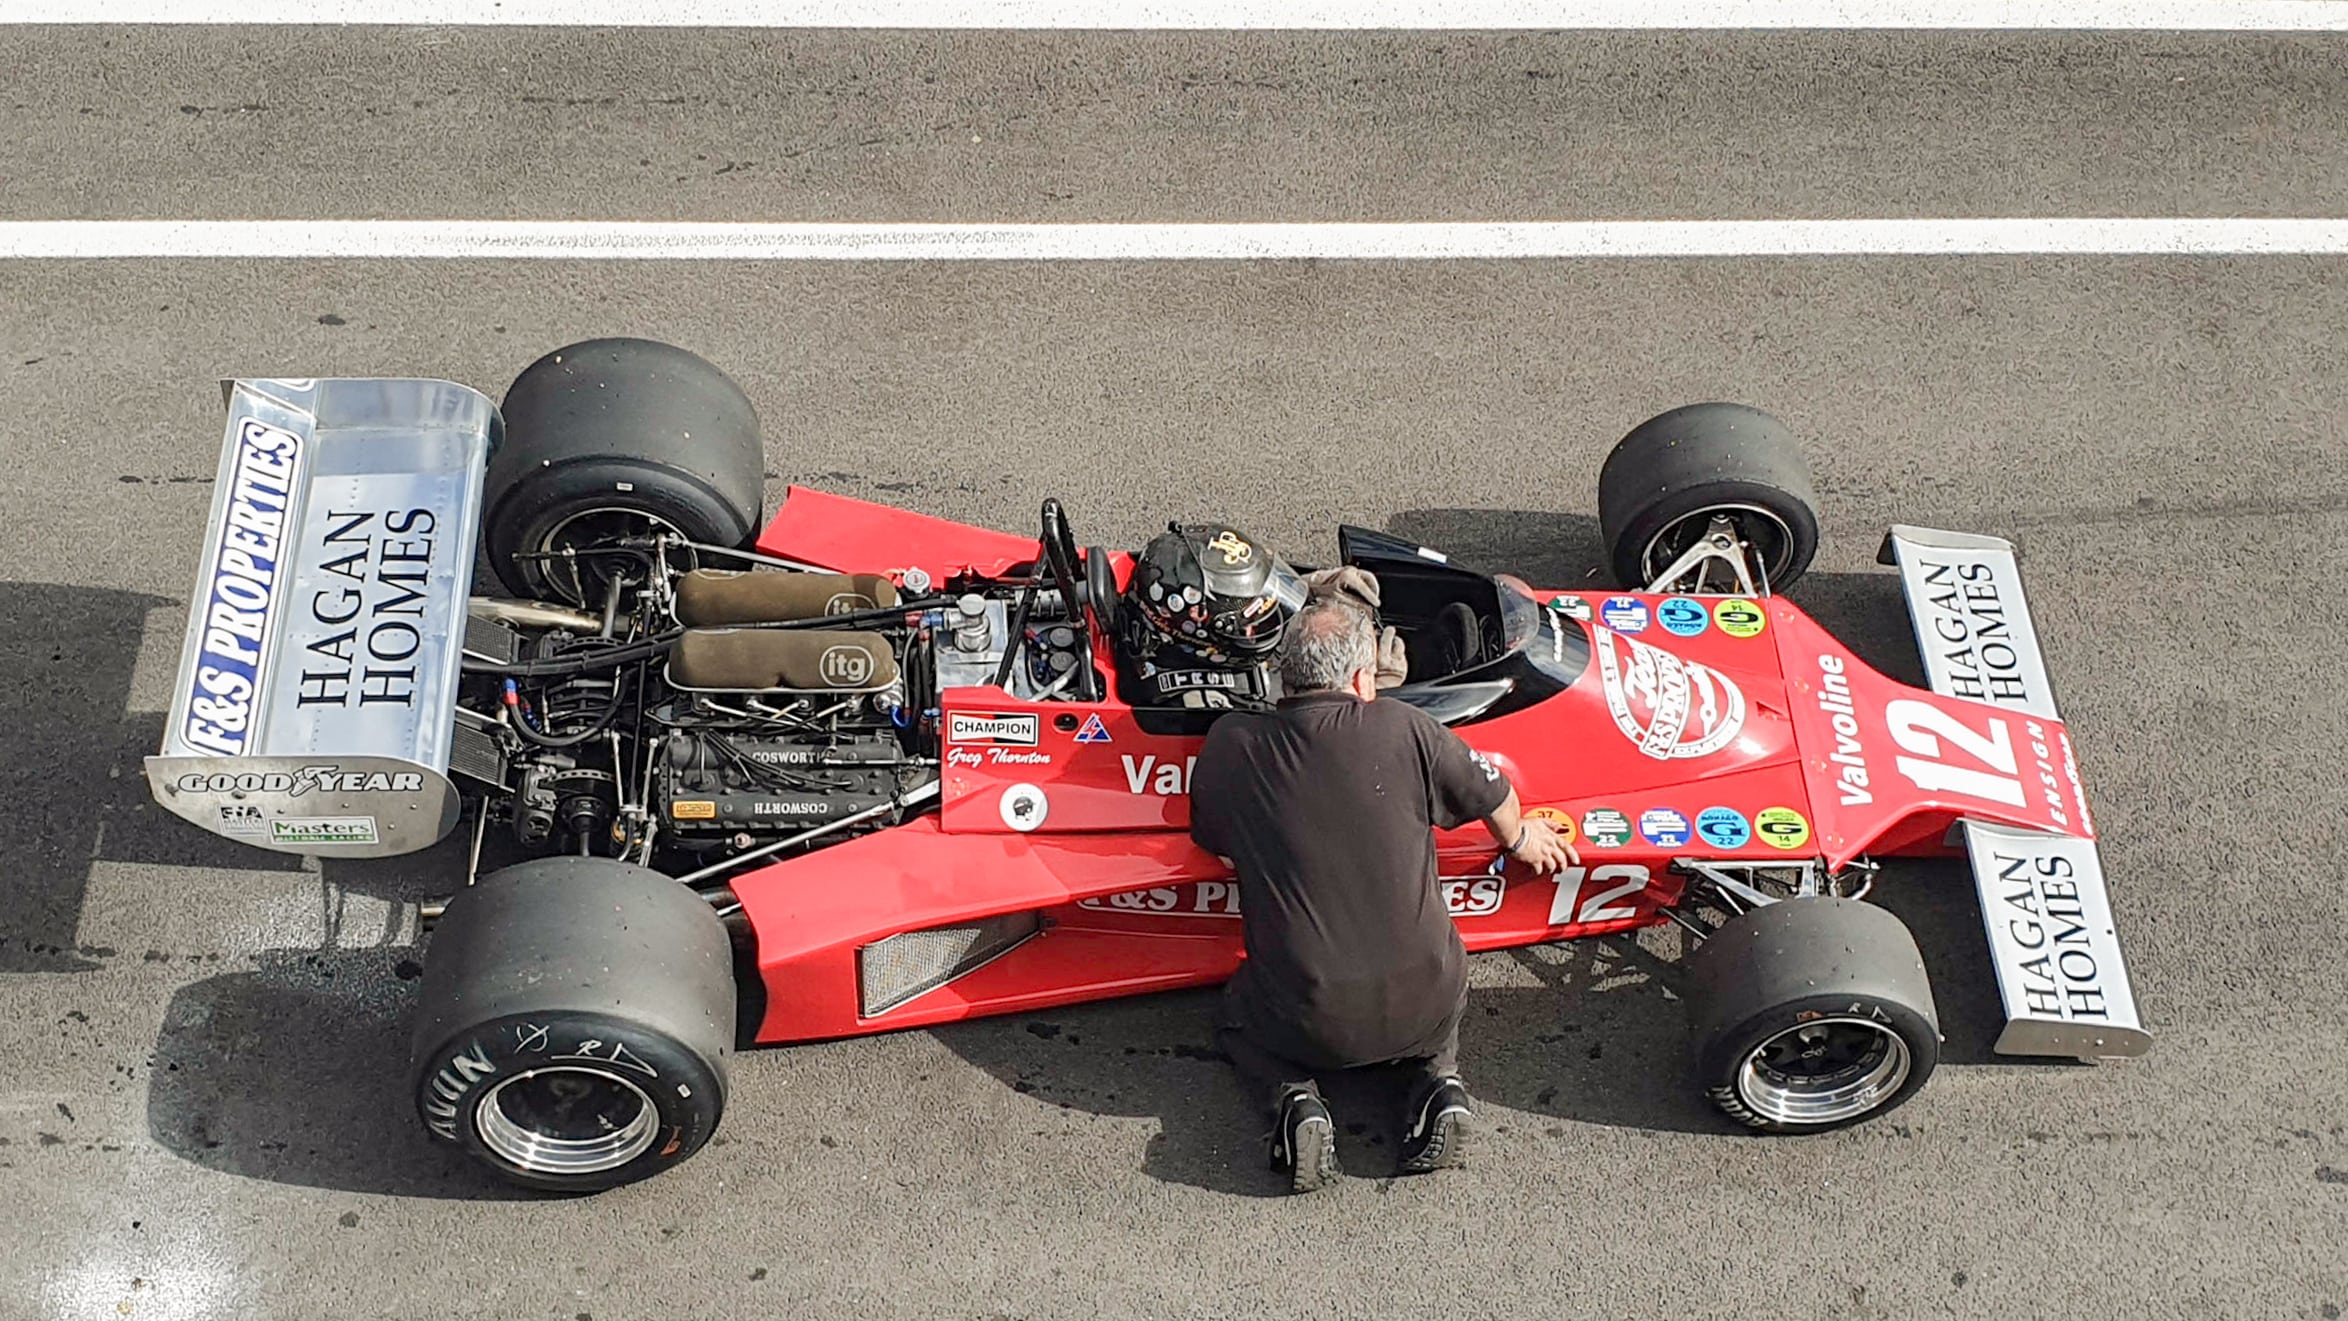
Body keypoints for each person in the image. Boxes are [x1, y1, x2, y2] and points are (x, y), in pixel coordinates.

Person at [1187, 581, 1575, 1193]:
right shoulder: (1407, 728)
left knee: (1239, 1018)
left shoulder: (1232, 744)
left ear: (1282, 677)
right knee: (1437, 1007)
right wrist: (1521, 838)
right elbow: (1497, 795)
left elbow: (1215, 839)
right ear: (1363, 681)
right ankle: (1438, 1082)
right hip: (1428, 996)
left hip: (1308, 1018)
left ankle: (1295, 1101)